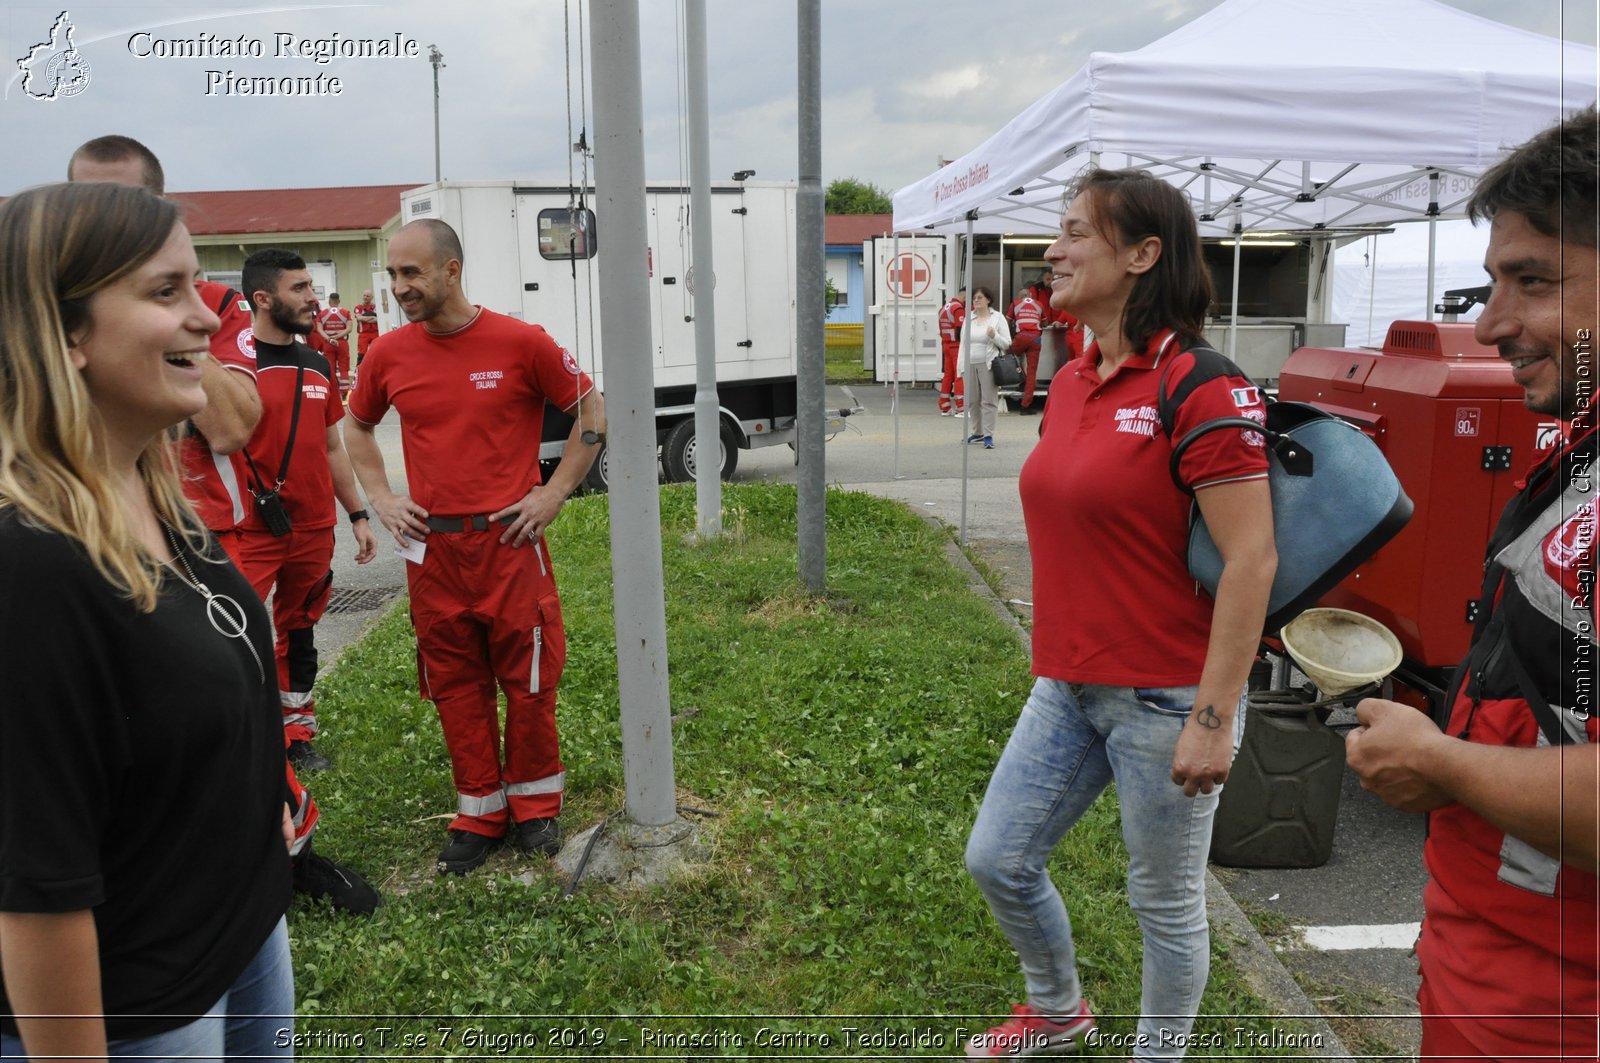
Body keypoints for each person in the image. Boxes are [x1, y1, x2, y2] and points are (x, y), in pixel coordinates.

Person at [963, 168, 1276, 1059]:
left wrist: (1213, 718)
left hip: (1168, 694)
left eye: (1075, 233)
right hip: (1068, 681)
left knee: (1163, 901)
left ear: (1143, 255)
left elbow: (1252, 557)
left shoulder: (1202, 384)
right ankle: (1059, 1014)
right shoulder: (1070, 379)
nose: (1051, 251)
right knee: (999, 857)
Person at [0, 181, 294, 1060]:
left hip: (239, 938)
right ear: (66, 334)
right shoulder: (30, 563)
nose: (208, 318)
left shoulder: (147, 486)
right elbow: (35, 888)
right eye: (166, 293)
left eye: (196, 286)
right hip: (138, 1004)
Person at [67, 133, 376, 915]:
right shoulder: (38, 309)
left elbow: (236, 423)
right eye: (82, 203)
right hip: (86, 531)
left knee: (236, 682)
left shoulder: (219, 311)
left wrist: (166, 308)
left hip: (195, 527)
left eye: (127, 207)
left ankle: (284, 844)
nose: (101, 223)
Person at [1346, 106, 1598, 1062]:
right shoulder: (1582, 443)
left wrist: (1444, 764)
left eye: (1533, 282)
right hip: (1491, 986)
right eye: (1493, 281)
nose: (1490, 325)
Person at [344, 219, 605, 875]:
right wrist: (382, 495)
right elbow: (355, 424)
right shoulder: (389, 355)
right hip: (434, 554)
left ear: (451, 270)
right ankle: (479, 812)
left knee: (530, 680)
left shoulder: (520, 342)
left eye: (412, 273)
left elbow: (592, 412)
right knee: (455, 686)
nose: (399, 286)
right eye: (393, 273)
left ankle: (535, 808)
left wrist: (552, 493)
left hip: (510, 545)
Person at [235, 250, 379, 774]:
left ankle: (296, 733)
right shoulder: (234, 365)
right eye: (300, 288)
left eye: (311, 287)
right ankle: (244, 735)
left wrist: (358, 514)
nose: (313, 298)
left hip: (313, 526)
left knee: (299, 630)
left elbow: (333, 447)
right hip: (249, 529)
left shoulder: (317, 363)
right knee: (235, 632)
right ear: (263, 298)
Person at [962, 286, 1011, 449]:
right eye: (974, 298)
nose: (976, 300)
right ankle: (978, 432)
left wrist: (994, 336)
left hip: (988, 363)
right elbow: (962, 344)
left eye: (979, 298)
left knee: (989, 401)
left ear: (988, 300)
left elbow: (1007, 343)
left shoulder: (997, 318)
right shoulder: (968, 318)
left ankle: (988, 435)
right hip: (969, 363)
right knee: (972, 401)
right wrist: (961, 366)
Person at [1008, 282, 1045, 413]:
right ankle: (1026, 405)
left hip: (1021, 336)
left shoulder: (1015, 304)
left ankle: (1021, 378)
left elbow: (1007, 321)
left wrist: (1010, 338)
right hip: (1035, 338)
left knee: (1009, 357)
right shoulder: (1039, 304)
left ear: (1020, 297)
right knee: (1032, 372)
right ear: (1030, 295)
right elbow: (1044, 322)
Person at [315, 291, 354, 393]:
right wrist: (338, 336)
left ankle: (332, 390)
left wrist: (329, 339)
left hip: (328, 344)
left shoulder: (322, 314)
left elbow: (319, 329)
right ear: (339, 301)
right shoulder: (346, 313)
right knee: (343, 368)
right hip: (342, 343)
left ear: (329, 301)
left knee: (330, 367)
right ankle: (345, 392)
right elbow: (349, 328)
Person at [938, 288, 967, 415]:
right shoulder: (958, 308)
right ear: (965, 297)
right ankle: (961, 408)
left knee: (948, 375)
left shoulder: (944, 308)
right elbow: (961, 329)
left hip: (946, 344)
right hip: (956, 345)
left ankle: (945, 406)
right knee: (959, 374)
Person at [353, 288, 380, 369]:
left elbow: (379, 319)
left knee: (376, 352)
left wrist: (365, 318)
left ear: (371, 297)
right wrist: (372, 318)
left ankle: (375, 369)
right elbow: (359, 318)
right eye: (364, 295)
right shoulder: (358, 307)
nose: (365, 297)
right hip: (363, 334)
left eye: (367, 296)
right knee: (361, 354)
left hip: (375, 333)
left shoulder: (376, 307)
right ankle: (358, 372)